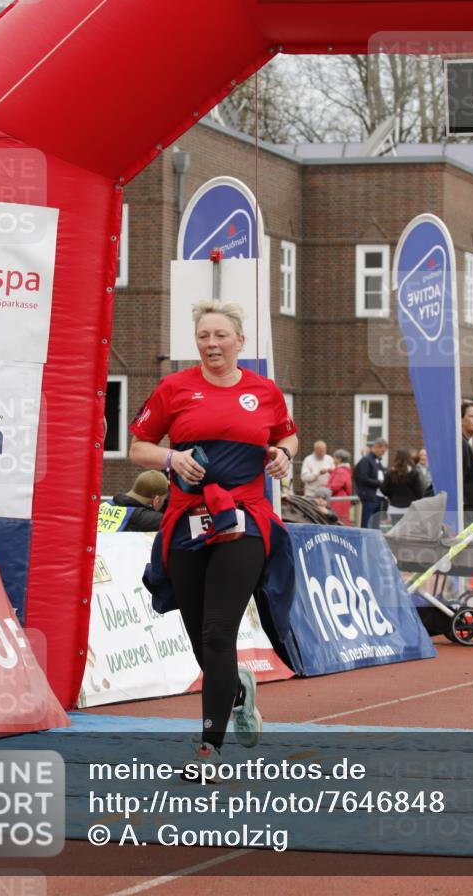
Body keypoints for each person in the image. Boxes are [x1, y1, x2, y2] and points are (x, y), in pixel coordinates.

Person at [129, 299, 298, 773]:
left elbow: (287, 436)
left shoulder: (264, 392)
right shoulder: (174, 388)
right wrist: (170, 460)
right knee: (198, 633)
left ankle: (210, 748)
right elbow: (137, 446)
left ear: (240, 341)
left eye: (220, 335)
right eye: (204, 336)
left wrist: (283, 455)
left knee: (218, 630)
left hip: (244, 516)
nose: (211, 344)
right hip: (186, 519)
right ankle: (237, 689)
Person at [381, 449, 424, 522]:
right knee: (409, 531)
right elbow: (419, 493)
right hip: (410, 508)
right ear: (409, 458)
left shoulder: (390, 473)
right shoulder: (414, 473)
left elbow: (384, 489)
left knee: (396, 531)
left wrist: (392, 496)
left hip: (394, 507)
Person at [354, 438, 388, 529]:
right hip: (369, 497)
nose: (384, 453)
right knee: (366, 524)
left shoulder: (378, 461)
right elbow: (363, 478)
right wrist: (380, 483)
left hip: (378, 498)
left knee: (375, 526)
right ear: (376, 447)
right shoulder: (366, 460)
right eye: (382, 450)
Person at [328, 449, 353, 523]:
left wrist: (325, 490)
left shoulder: (341, 471)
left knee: (338, 520)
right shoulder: (342, 470)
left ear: (339, 459)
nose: (333, 459)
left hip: (339, 500)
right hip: (341, 499)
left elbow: (335, 486)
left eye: (334, 457)